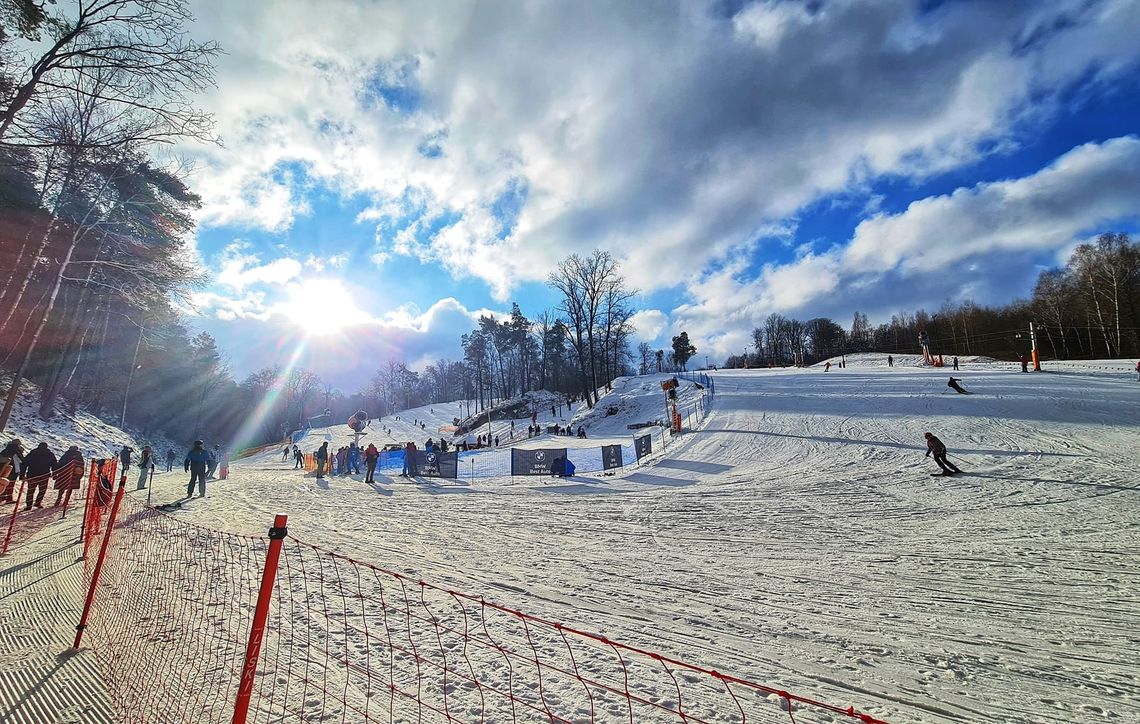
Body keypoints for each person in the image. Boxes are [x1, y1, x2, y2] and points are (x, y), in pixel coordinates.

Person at [22, 442, 57, 510]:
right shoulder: (50, 454)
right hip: (44, 475)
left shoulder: (33, 453)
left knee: (30, 491)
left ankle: (29, 505)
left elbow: (24, 463)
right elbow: (54, 465)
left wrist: (22, 475)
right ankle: (38, 502)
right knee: (42, 490)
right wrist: (54, 474)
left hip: (32, 475)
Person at [0, 438, 24, 504]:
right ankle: (8, 499)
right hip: (13, 470)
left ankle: (2, 497)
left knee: (2, 484)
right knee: (11, 485)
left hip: (2, 469)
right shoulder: (16, 451)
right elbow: (22, 460)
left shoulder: (5, 450)